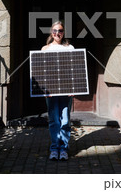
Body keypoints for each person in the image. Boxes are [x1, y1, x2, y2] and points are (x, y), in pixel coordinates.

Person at [42, 21, 74, 161]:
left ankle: (64, 149)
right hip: (51, 91)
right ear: (51, 32)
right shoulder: (45, 49)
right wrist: (43, 89)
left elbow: (75, 69)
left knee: (65, 120)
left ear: (63, 32)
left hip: (66, 91)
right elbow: (41, 72)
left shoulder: (70, 48)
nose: (57, 33)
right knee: (54, 120)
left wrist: (74, 87)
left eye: (60, 31)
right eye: (55, 31)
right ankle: (55, 148)